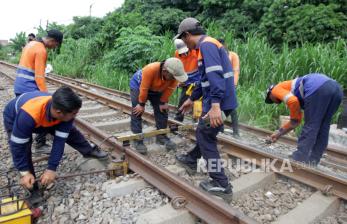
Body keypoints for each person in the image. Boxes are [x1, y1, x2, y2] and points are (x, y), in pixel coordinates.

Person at [3, 87, 108, 205]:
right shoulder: (27, 116)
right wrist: (24, 172)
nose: (75, 116)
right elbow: (17, 147)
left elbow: (59, 142)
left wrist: (51, 169)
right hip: (15, 117)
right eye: (74, 113)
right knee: (25, 149)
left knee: (71, 132)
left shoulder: (62, 111)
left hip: (43, 117)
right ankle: (33, 189)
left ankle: (89, 150)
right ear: (59, 112)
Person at [175, 18, 237, 200]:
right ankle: (191, 159)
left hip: (219, 102)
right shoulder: (207, 45)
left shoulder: (207, 46)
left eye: (183, 39)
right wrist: (191, 99)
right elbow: (205, 81)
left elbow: (216, 76)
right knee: (205, 134)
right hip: (219, 100)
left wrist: (216, 105)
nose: (185, 44)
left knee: (204, 135)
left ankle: (221, 183)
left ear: (187, 35)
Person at [265, 73, 342, 165]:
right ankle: (314, 160)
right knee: (323, 126)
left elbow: (293, 101)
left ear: (270, 92)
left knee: (311, 124)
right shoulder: (291, 88)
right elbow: (295, 122)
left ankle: (300, 156)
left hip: (318, 88)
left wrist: (294, 118)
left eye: (270, 99)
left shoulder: (275, 89)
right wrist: (278, 134)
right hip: (337, 89)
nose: (274, 102)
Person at [14, 29, 64, 151]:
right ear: (52, 40)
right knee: (45, 109)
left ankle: (23, 144)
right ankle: (40, 144)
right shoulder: (41, 50)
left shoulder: (30, 44)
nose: (54, 47)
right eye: (56, 45)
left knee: (24, 116)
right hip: (29, 87)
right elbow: (39, 77)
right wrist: (45, 95)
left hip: (19, 86)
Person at [129, 58, 188, 154]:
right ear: (165, 72)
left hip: (157, 88)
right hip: (139, 86)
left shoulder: (174, 75)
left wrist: (163, 102)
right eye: (173, 77)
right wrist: (141, 104)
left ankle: (161, 136)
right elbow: (144, 89)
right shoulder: (151, 69)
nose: (175, 79)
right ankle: (137, 139)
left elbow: (169, 89)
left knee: (163, 110)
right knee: (137, 111)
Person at [173, 39, 200, 122]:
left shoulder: (196, 52)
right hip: (186, 81)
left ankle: (196, 120)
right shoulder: (177, 54)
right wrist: (178, 81)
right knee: (183, 100)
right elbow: (177, 68)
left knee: (198, 101)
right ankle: (178, 120)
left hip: (197, 81)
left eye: (186, 51)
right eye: (182, 52)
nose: (184, 54)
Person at [218, 38, 240, 137]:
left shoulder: (233, 55)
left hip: (230, 85)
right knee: (219, 107)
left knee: (232, 109)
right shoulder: (216, 55)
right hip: (218, 85)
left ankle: (236, 132)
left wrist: (233, 85)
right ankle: (220, 129)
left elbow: (236, 70)